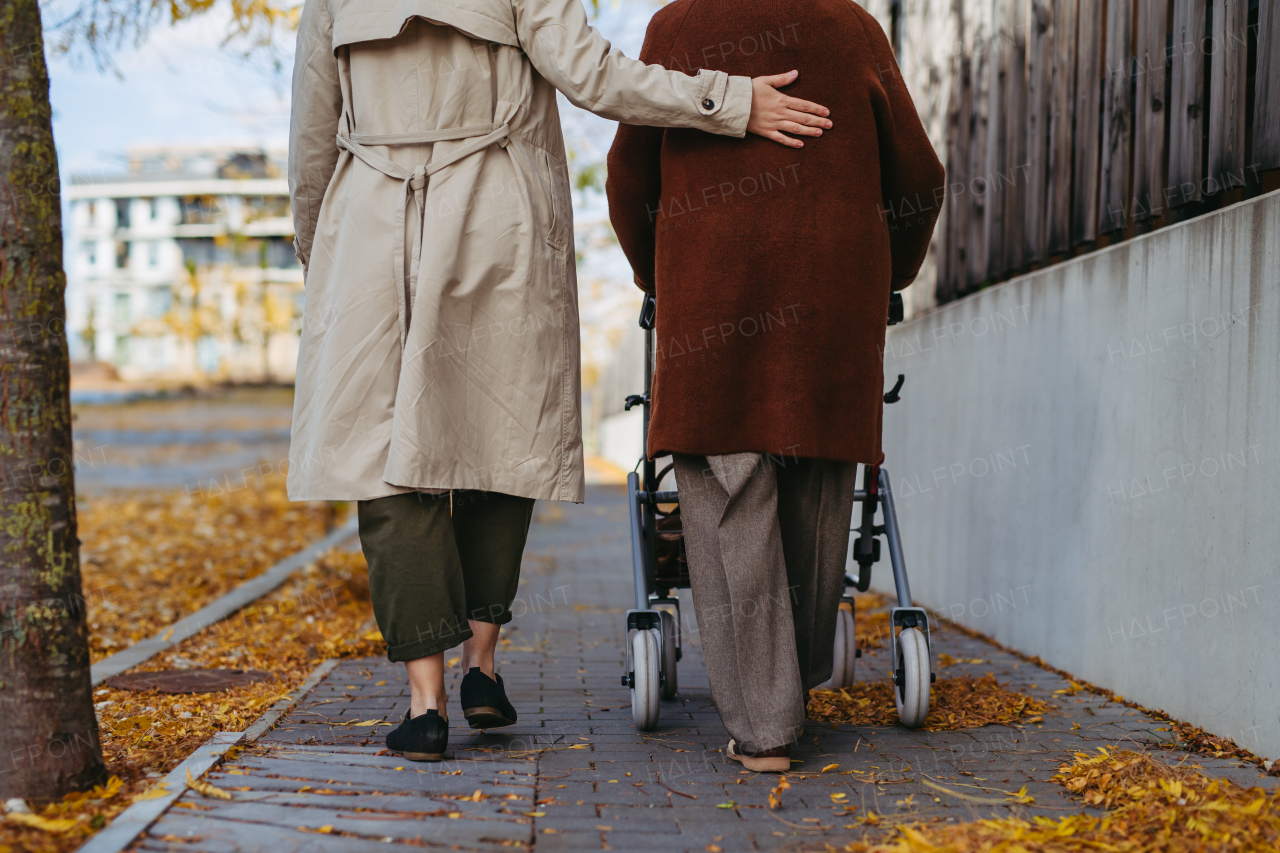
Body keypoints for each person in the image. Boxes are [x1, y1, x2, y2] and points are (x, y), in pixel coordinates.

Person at [286, 0, 834, 763]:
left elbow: (312, 131)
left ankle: (425, 701)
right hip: (494, 219)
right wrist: (729, 100)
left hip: (368, 225)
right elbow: (595, 77)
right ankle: (481, 663)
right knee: (499, 436)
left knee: (383, 463)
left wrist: (321, 251)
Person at [605, 0, 944, 772]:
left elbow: (629, 178)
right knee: (820, 487)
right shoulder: (852, 27)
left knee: (729, 492)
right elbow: (919, 175)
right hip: (830, 306)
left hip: (712, 305)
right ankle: (794, 674)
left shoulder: (675, 30)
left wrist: (657, 273)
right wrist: (889, 271)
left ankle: (764, 719)